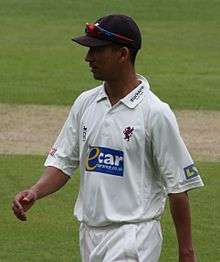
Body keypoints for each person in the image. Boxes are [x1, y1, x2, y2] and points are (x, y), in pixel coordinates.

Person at [12, 14, 204, 262]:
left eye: (96, 51)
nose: (88, 58)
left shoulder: (155, 113)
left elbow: (178, 188)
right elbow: (64, 161)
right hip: (89, 234)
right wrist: (35, 191)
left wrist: (186, 252)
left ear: (123, 54)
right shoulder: (85, 103)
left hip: (133, 236)